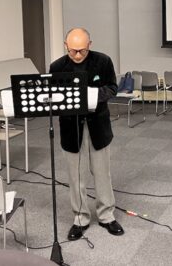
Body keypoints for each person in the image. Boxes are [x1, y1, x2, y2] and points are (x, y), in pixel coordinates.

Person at [49, 28, 124, 240]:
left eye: (82, 50)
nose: (78, 55)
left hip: (98, 125)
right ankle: (80, 218)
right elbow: (53, 96)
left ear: (90, 44)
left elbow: (112, 87)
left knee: (102, 173)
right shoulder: (56, 67)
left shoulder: (103, 61)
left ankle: (106, 215)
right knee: (76, 176)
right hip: (70, 127)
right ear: (66, 45)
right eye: (73, 51)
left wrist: (92, 96)